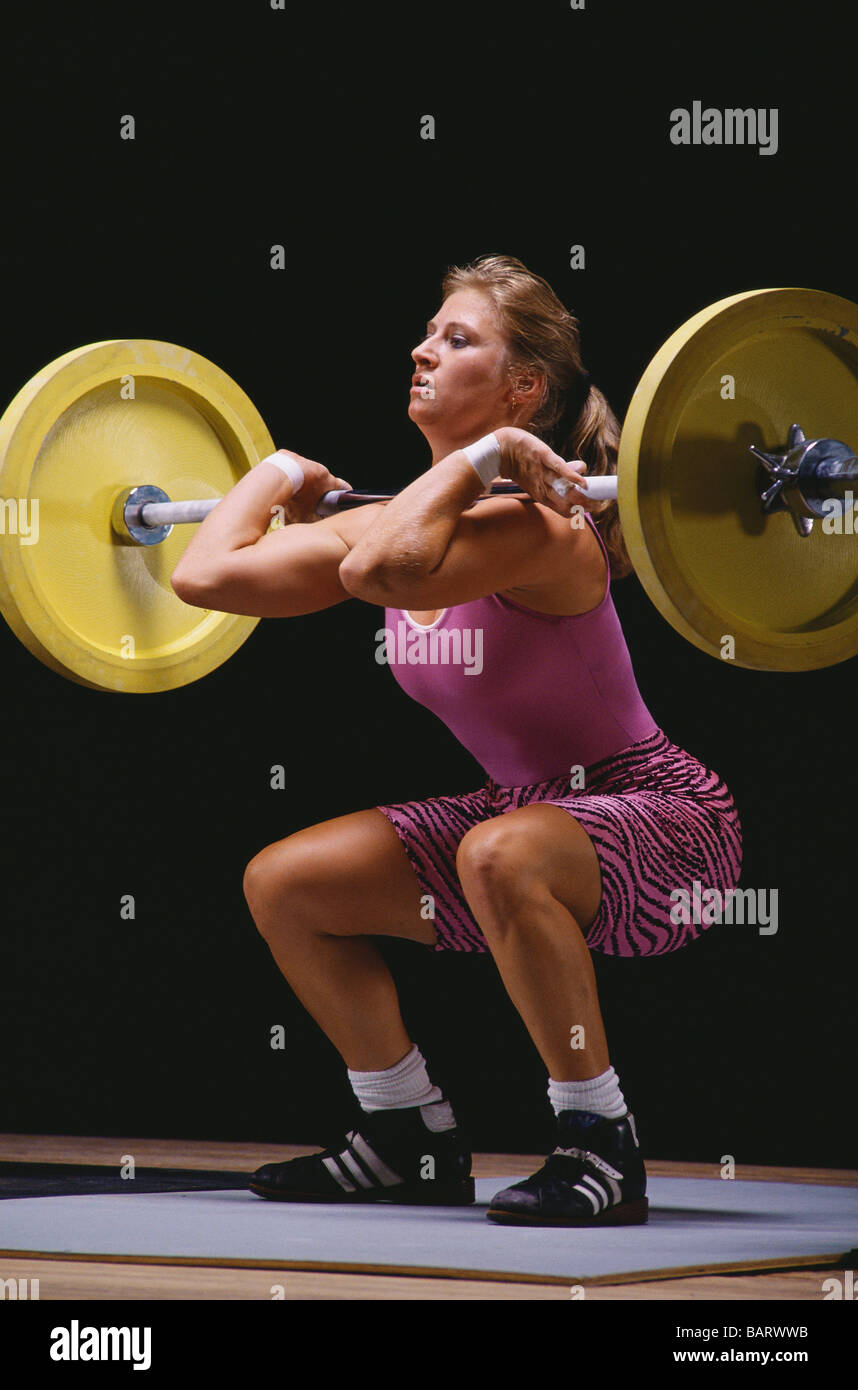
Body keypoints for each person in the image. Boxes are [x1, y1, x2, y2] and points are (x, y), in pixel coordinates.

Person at [171, 254, 742, 1226]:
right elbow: (205, 577)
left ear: (524, 390)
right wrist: (276, 470)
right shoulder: (386, 523)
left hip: (665, 820)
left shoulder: (541, 528)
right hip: (523, 816)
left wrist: (485, 460)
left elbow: (390, 572)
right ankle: (408, 1136)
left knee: (498, 849)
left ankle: (600, 1141)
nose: (422, 349)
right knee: (286, 884)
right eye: (429, 332)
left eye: (457, 338)